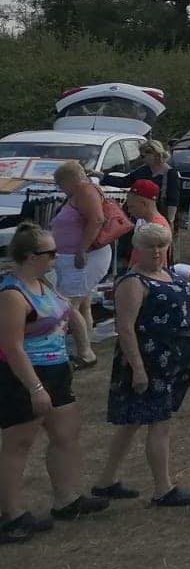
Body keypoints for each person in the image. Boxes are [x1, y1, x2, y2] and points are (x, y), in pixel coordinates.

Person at [0, 221, 102, 539]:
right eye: (51, 253)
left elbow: (68, 313)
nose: (57, 258)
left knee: (66, 434)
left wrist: (84, 346)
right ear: (31, 256)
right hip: (25, 374)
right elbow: (12, 347)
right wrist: (35, 387)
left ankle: (67, 499)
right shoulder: (12, 295)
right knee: (19, 444)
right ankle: (11, 515)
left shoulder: (43, 282)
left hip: (57, 368)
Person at [92, 222, 190, 508]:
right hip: (149, 360)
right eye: (149, 245)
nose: (156, 251)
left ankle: (105, 481)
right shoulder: (133, 282)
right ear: (137, 249)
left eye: (160, 245)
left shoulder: (168, 274)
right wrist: (138, 369)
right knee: (159, 423)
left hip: (173, 359)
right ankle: (163, 488)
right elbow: (125, 328)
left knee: (132, 423)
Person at [50, 161, 111, 367]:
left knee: (67, 305)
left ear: (70, 180)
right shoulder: (81, 193)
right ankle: (85, 347)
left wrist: (82, 249)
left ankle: (85, 353)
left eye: (60, 184)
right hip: (75, 257)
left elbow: (96, 219)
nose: (60, 188)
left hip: (83, 258)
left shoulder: (85, 190)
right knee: (83, 303)